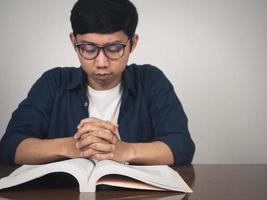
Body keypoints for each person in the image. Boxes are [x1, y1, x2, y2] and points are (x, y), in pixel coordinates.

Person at [0, 0, 195, 166]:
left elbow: (181, 146)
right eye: (88, 48)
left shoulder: (151, 80)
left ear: (133, 43)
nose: (101, 63)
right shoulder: (53, 82)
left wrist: (123, 151)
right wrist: (73, 146)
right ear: (73, 41)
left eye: (114, 47)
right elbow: (10, 146)